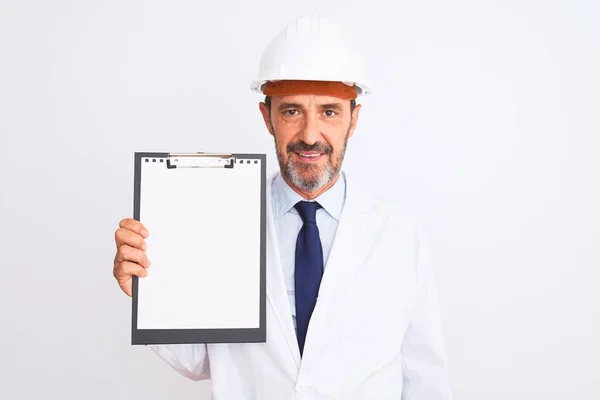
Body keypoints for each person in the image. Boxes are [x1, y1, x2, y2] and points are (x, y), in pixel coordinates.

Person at [113, 15, 452, 399]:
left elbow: (426, 379)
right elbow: (198, 360)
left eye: (329, 112)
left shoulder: (399, 236)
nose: (310, 135)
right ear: (267, 117)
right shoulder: (220, 221)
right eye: (292, 111)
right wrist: (147, 290)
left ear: (353, 119)